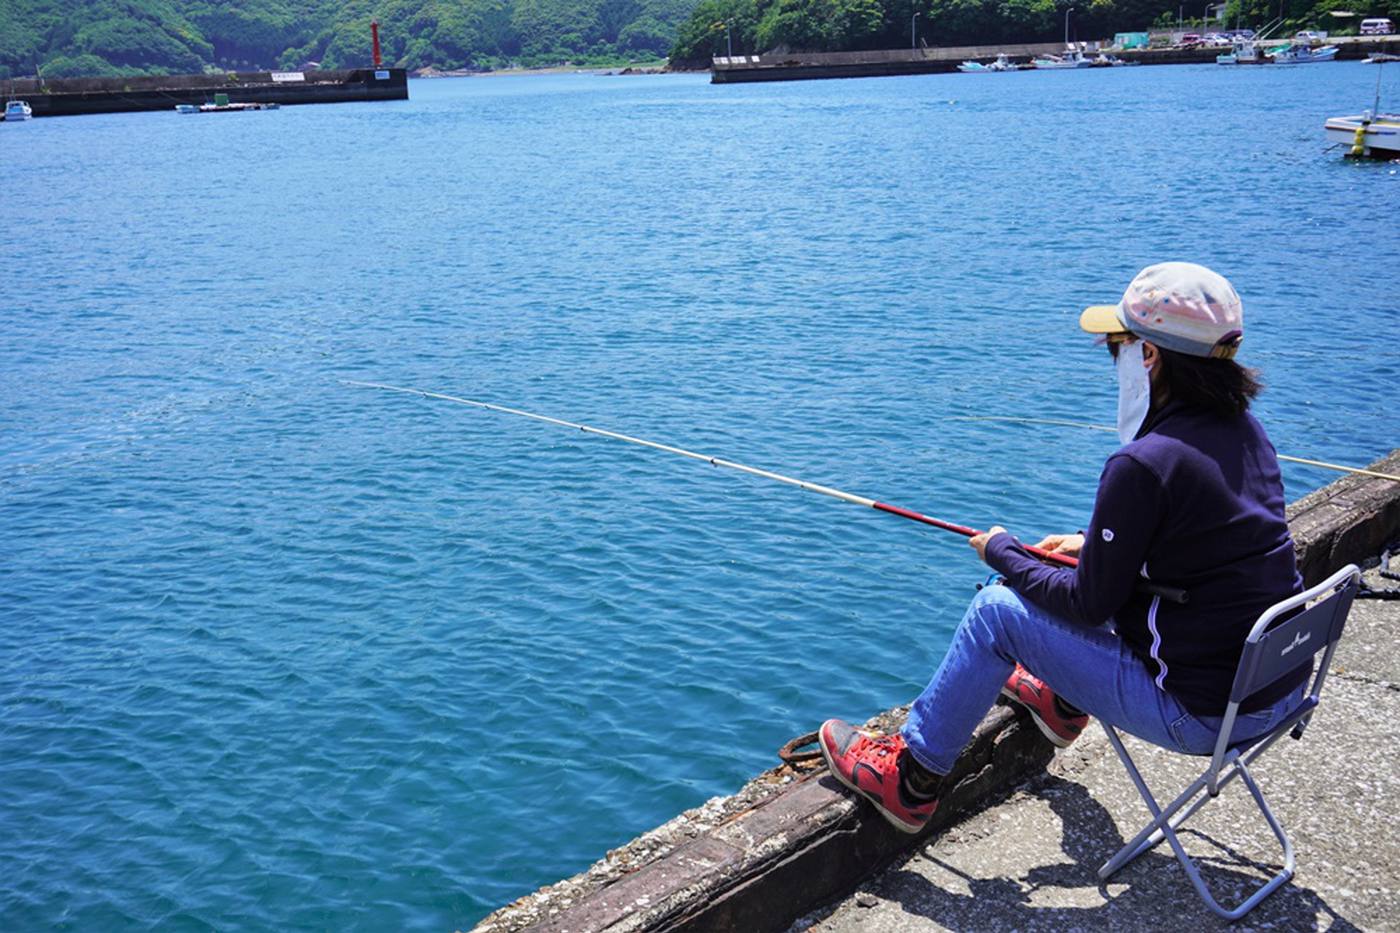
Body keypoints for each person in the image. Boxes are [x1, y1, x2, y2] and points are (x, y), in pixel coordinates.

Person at [819, 262, 1306, 833]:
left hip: (1200, 716)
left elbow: (1088, 605)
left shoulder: (1142, 464)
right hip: (1277, 687)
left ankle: (910, 778)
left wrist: (1001, 549)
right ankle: (1061, 697)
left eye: (1116, 348)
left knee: (995, 613)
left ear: (1148, 357)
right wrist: (1086, 545)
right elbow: (1200, 549)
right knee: (1070, 566)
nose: (1111, 361)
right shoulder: (1245, 432)